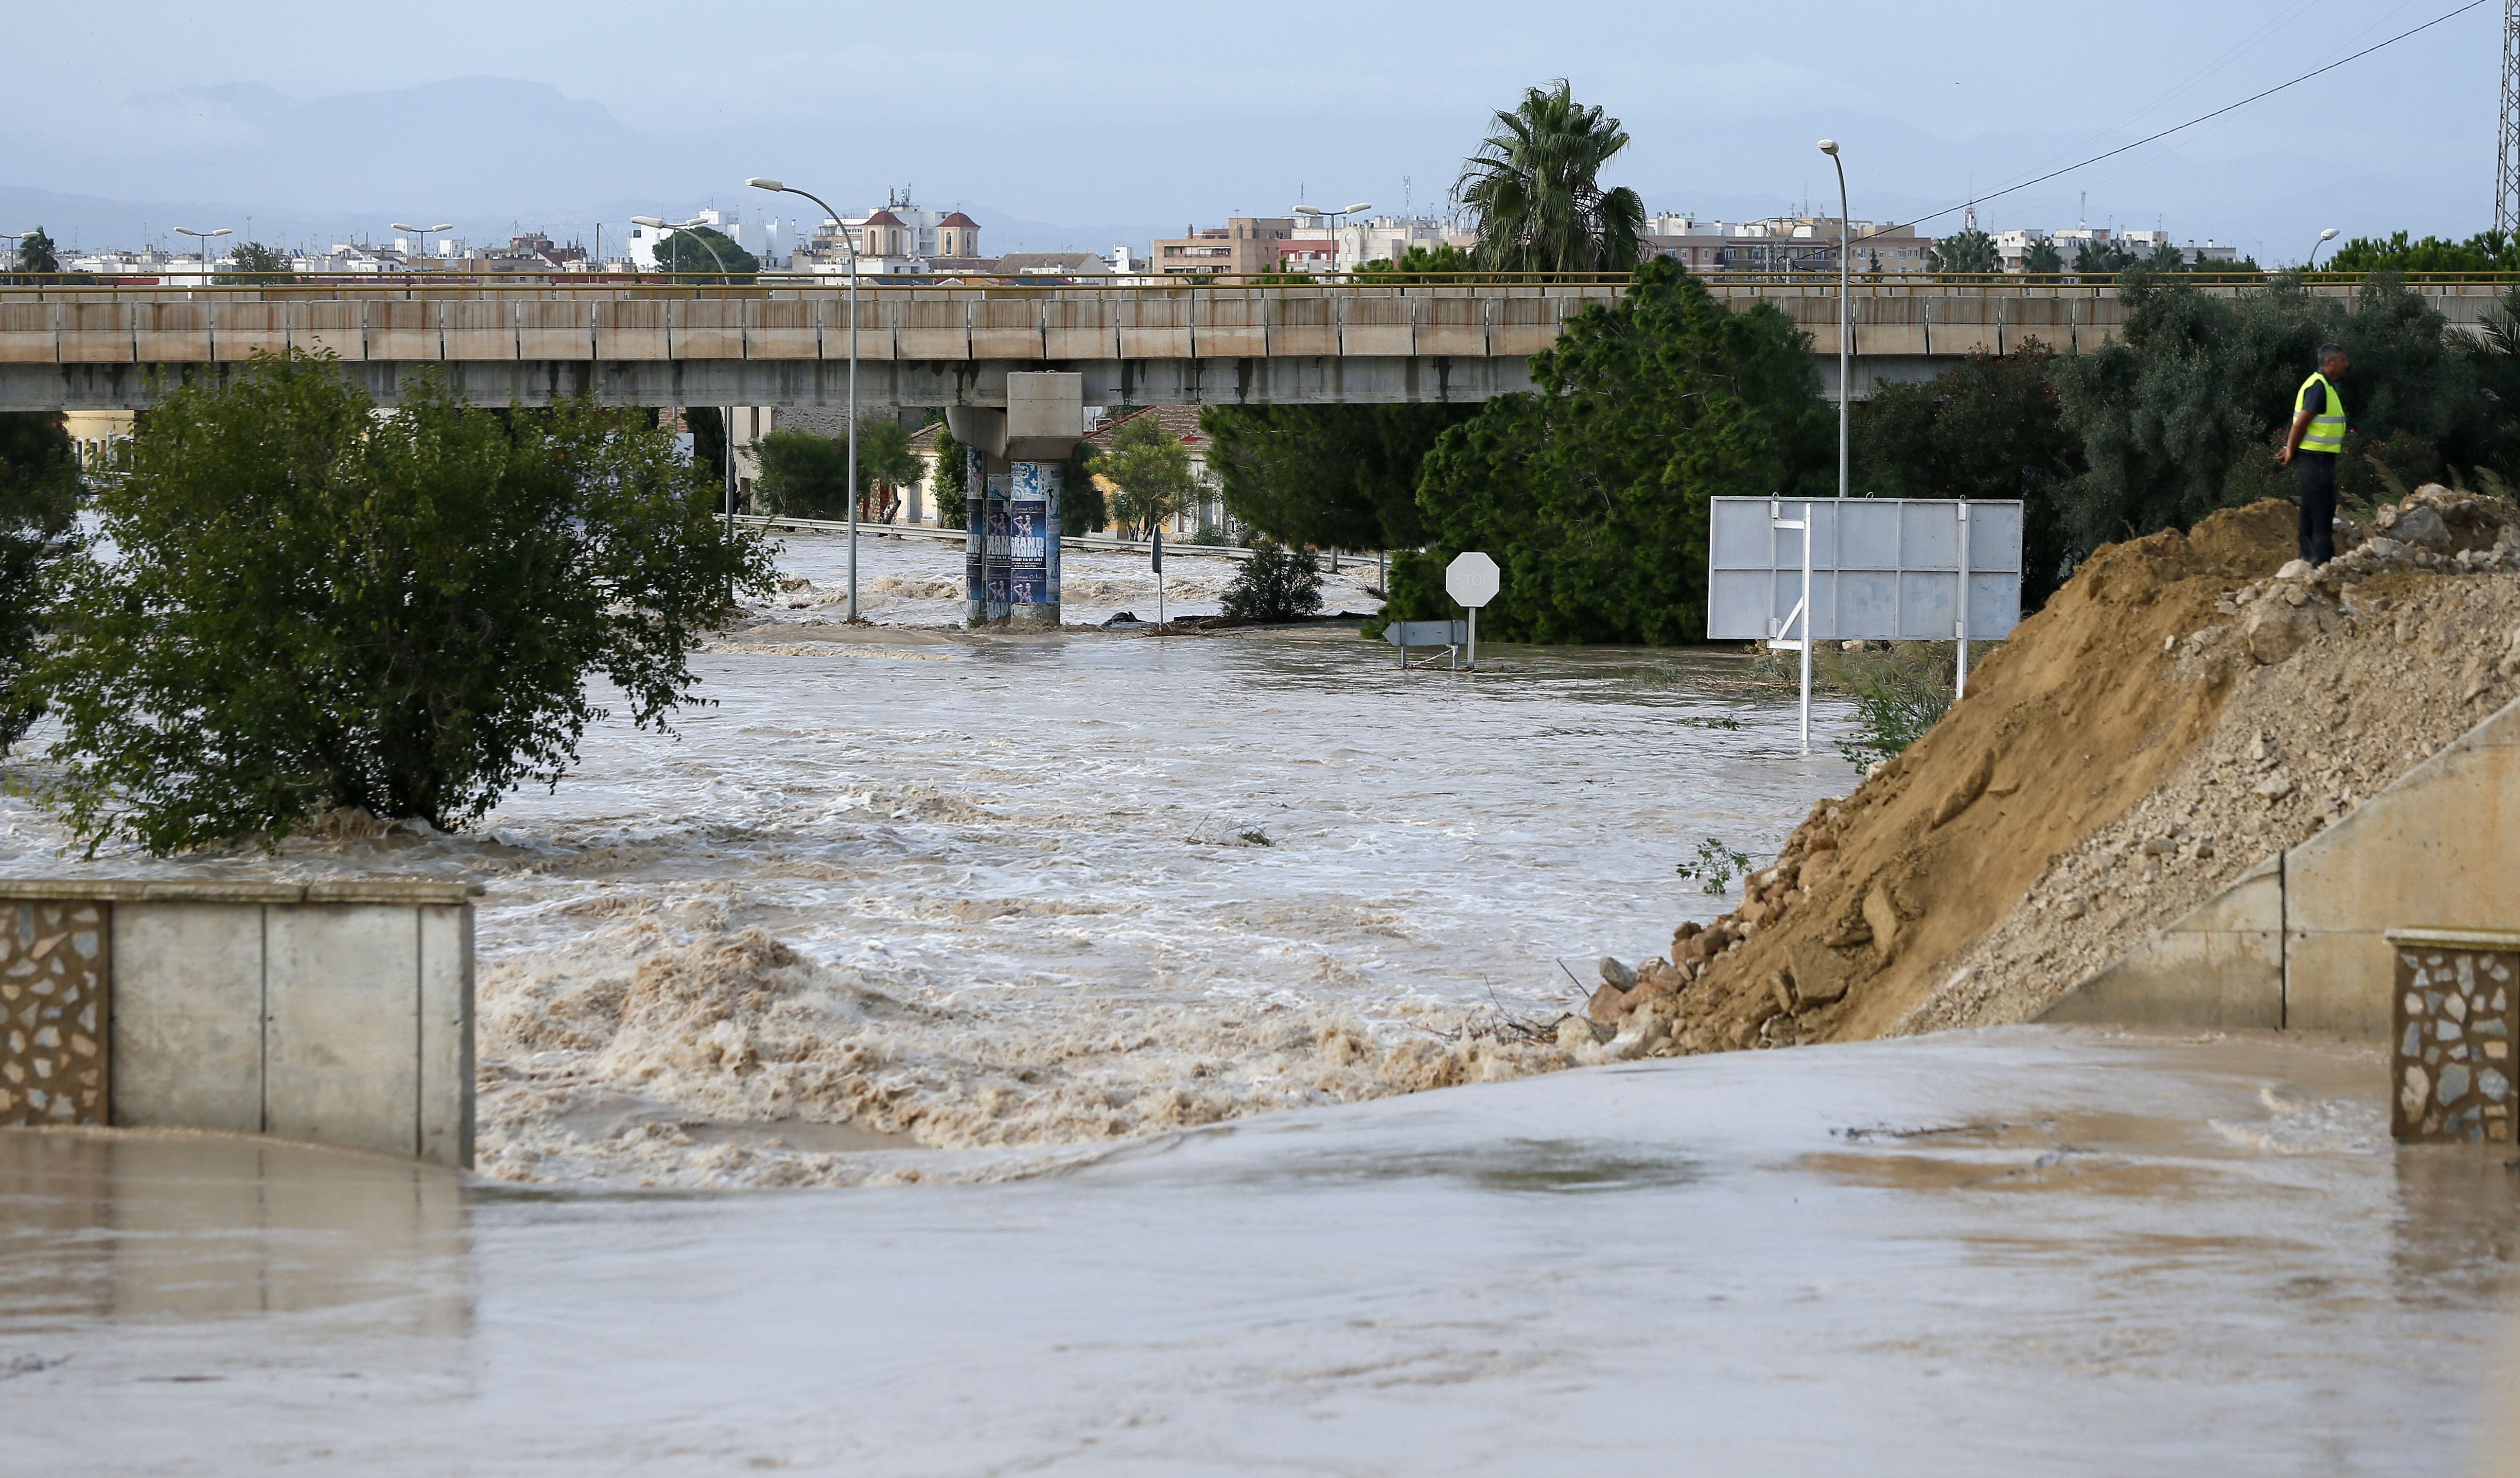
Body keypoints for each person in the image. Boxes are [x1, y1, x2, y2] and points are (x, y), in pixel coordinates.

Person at [2277, 343, 2349, 565]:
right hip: (2316, 457)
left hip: (2316, 456)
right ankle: (2322, 561)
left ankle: (2308, 558)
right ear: (2330, 362)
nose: (2347, 365)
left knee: (2310, 508)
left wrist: (2291, 448)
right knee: (2323, 509)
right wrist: (2290, 449)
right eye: (2342, 360)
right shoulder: (2319, 387)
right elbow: (2301, 424)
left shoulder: (2322, 385)